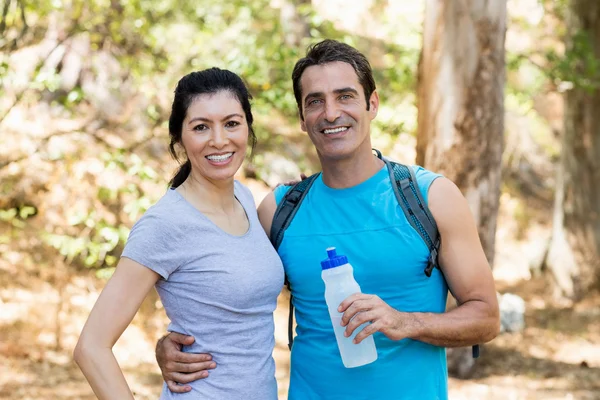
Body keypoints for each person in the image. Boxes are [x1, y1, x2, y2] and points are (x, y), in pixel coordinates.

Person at [156, 40, 500, 400]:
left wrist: (405, 322)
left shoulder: (430, 198)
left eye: (345, 96)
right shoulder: (278, 210)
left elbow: (486, 317)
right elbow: (224, 293)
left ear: (372, 104)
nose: (331, 113)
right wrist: (170, 344)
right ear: (302, 119)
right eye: (315, 101)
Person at [73, 68, 284, 399]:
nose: (219, 139)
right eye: (201, 127)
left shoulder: (243, 197)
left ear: (248, 128)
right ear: (179, 139)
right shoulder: (165, 224)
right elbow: (91, 346)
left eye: (231, 123)